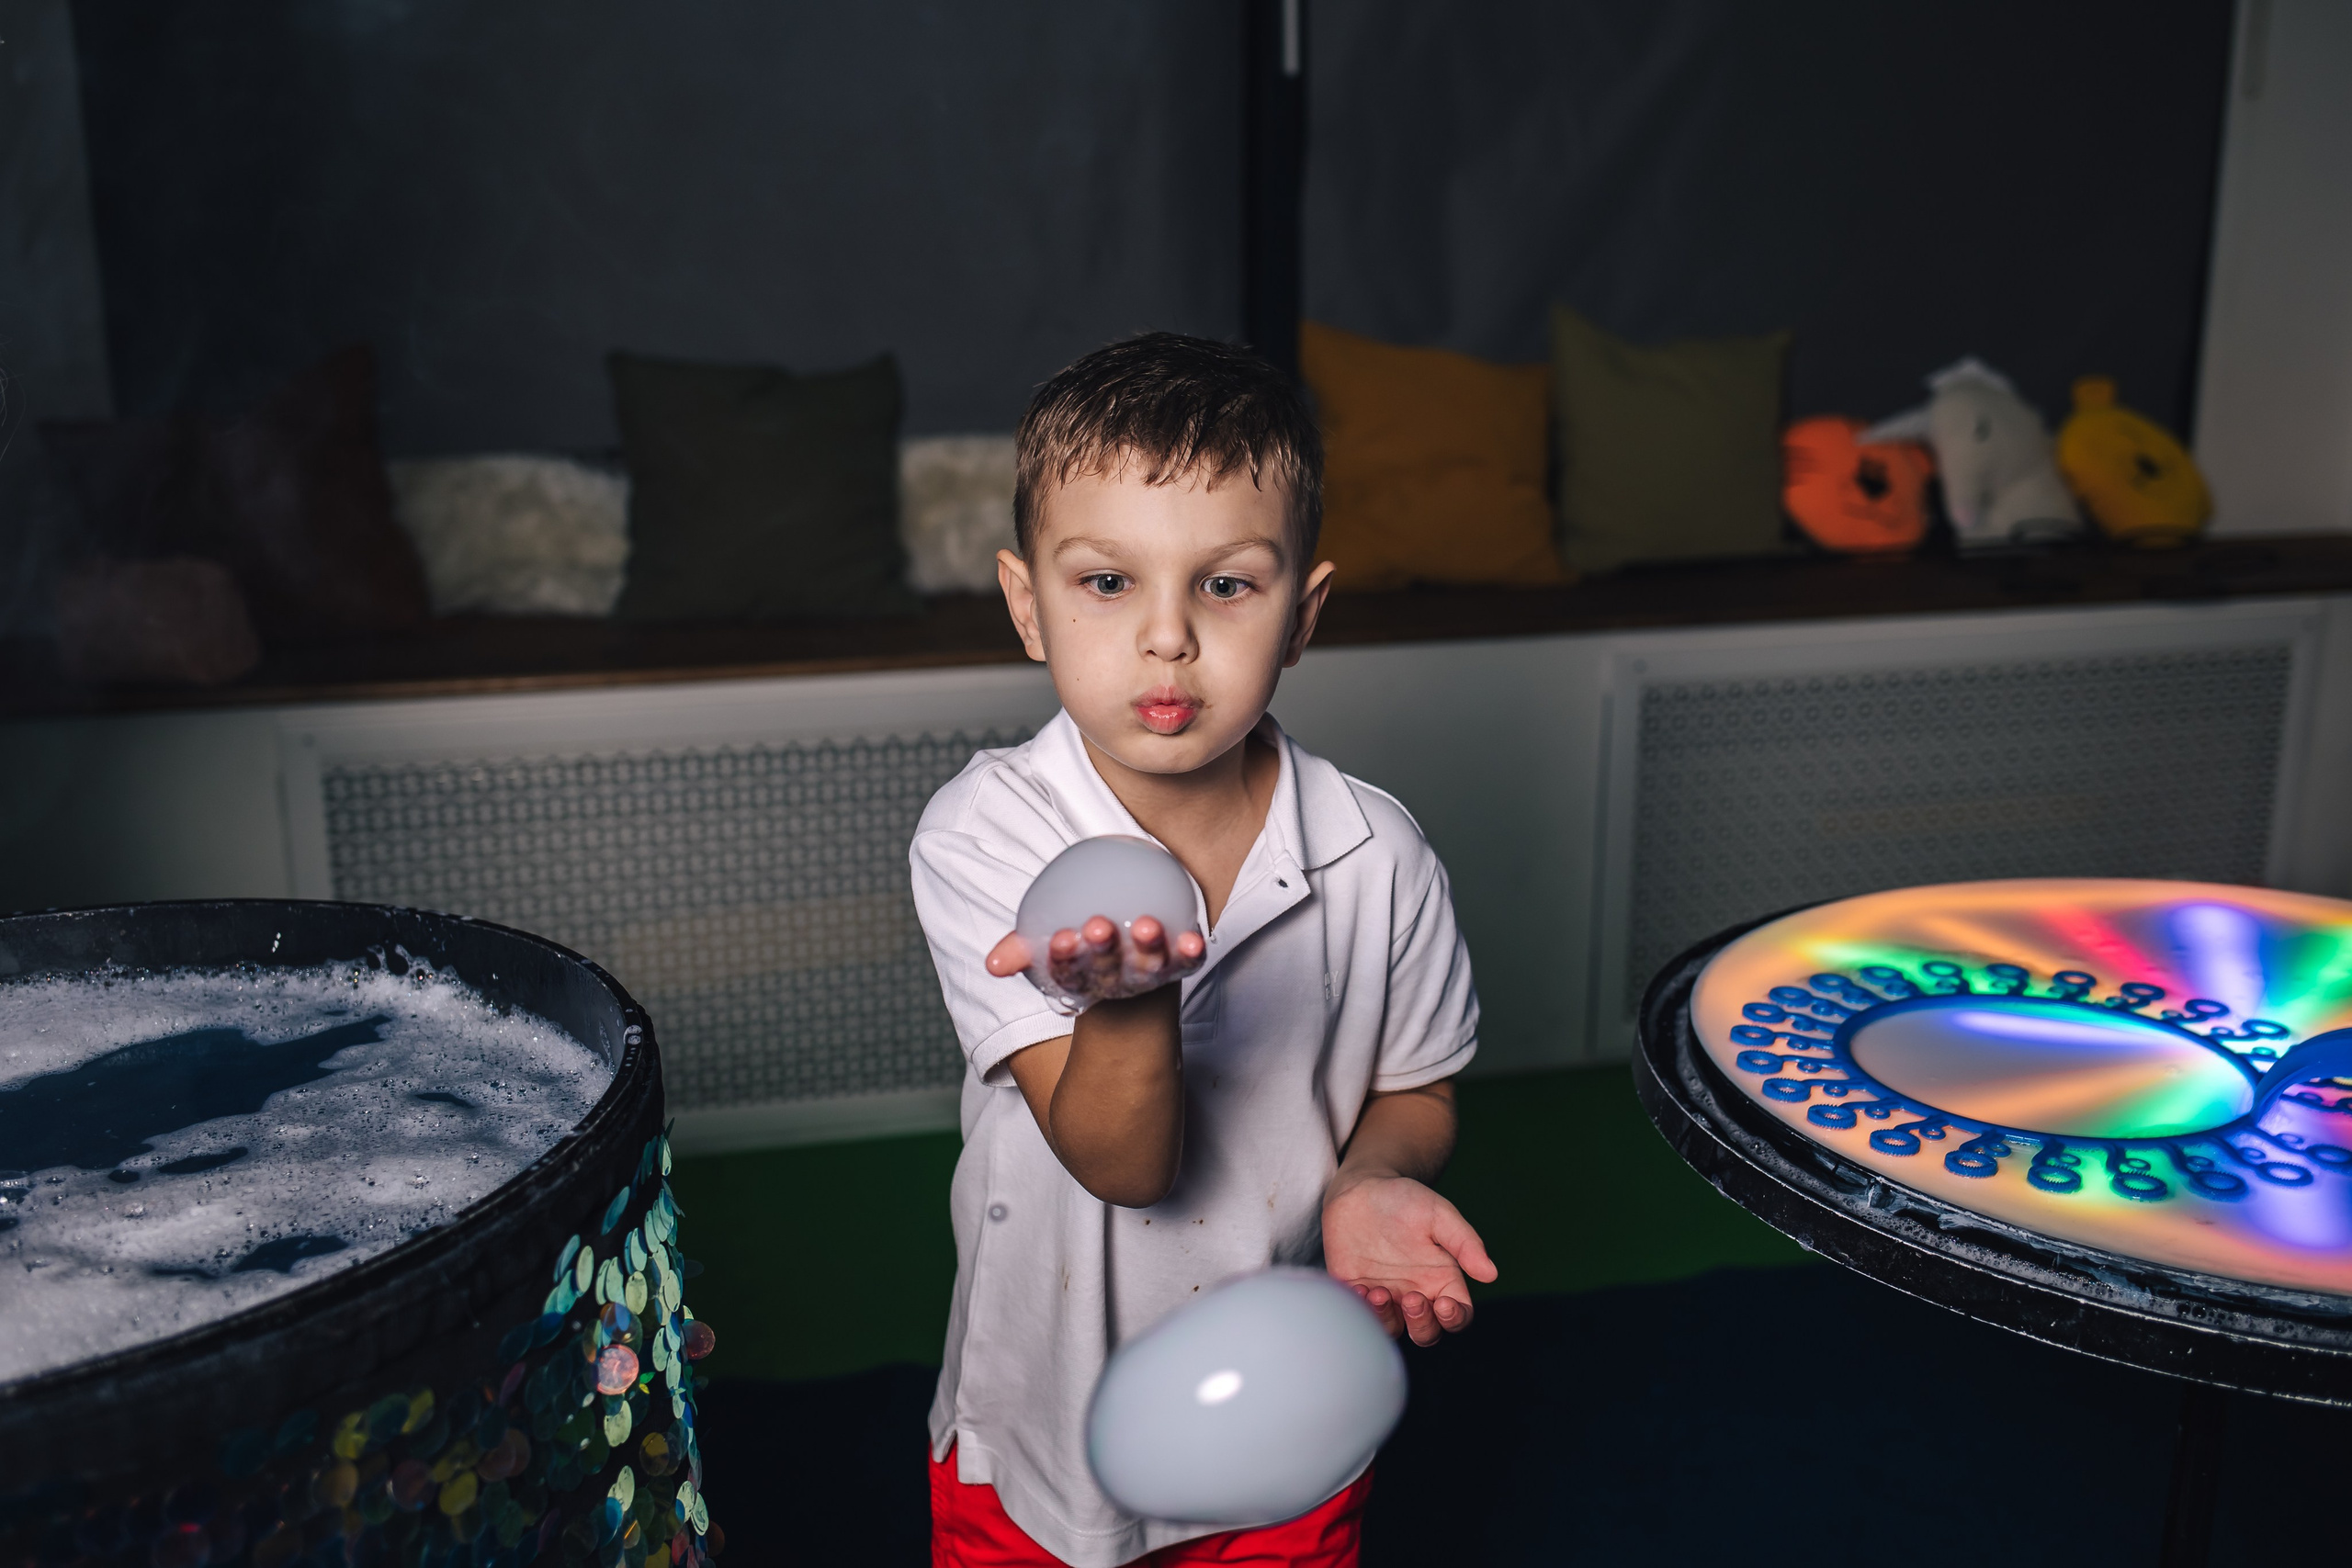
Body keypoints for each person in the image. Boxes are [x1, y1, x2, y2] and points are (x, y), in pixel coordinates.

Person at [910, 332, 1496, 1568]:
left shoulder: (1375, 852)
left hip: (1286, 1412)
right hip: (1042, 1425)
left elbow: (1417, 1084)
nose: (1167, 638)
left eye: (1225, 585)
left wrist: (1368, 1179)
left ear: (1303, 614)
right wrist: (1126, 1008)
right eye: (1107, 583)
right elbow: (1122, 1164)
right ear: (1028, 606)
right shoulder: (987, 835)